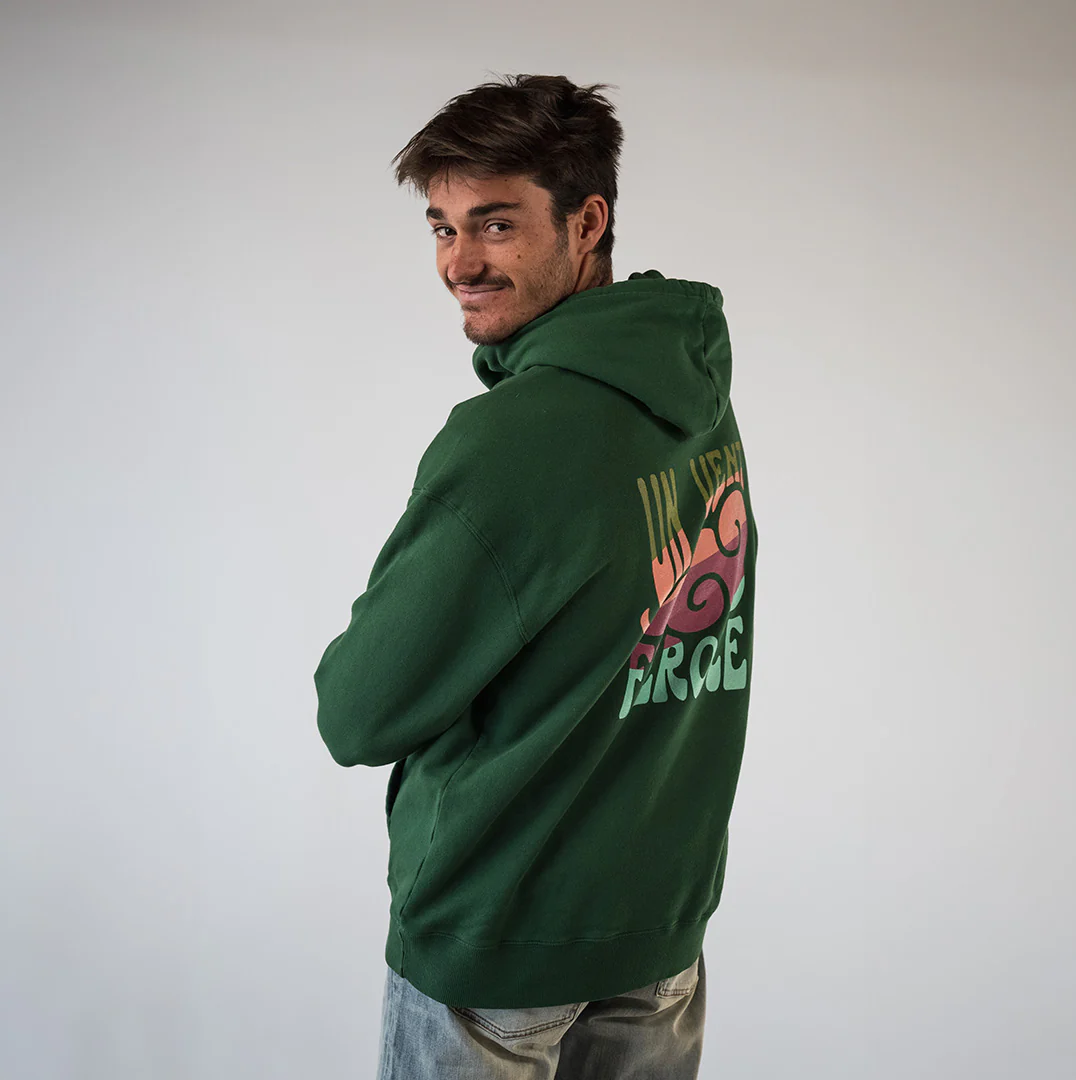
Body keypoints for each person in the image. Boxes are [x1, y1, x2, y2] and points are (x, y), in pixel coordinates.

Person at [313, 73, 758, 1079]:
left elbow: (356, 713)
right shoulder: (693, 402)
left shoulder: (514, 439)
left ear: (587, 222)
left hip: (500, 939)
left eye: (497, 224)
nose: (459, 263)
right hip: (657, 931)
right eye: (443, 228)